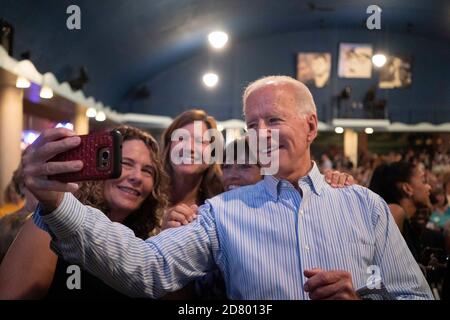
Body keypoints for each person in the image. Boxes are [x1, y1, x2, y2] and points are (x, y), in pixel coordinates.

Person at [25, 76, 432, 299]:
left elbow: (415, 297)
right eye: (252, 125)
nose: (261, 134)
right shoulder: (223, 212)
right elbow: (146, 267)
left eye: (273, 120)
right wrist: (58, 202)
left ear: (310, 127)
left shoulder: (365, 206)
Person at [0, 126, 169, 299]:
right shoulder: (53, 222)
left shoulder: (145, 242)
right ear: (98, 164)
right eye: (125, 163)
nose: (137, 177)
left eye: (147, 171)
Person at [369, 162, 432, 262]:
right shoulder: (395, 212)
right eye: (423, 181)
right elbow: (383, 265)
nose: (429, 187)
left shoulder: (409, 222)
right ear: (407, 189)